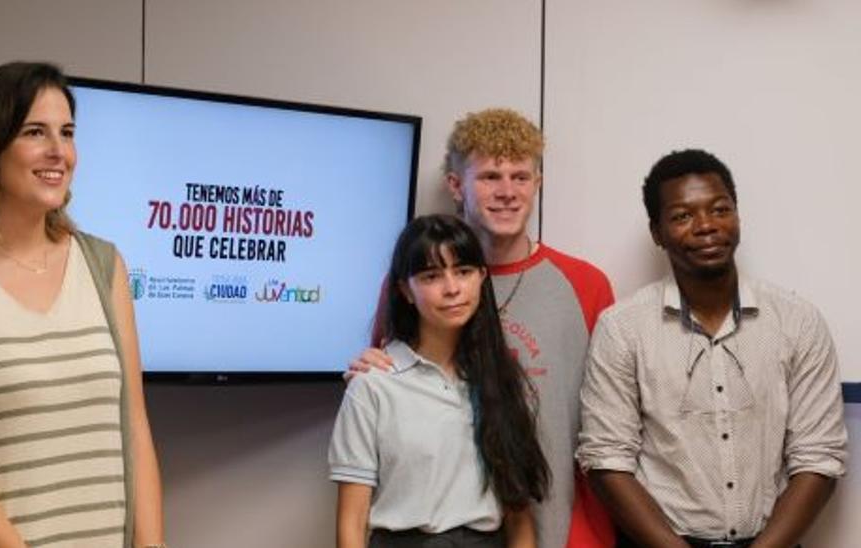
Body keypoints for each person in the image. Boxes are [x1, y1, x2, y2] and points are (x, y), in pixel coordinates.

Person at [0, 61, 166, 548]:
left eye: (67, 132)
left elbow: (134, 427)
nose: (59, 151)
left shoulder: (103, 265)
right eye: (35, 132)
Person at [349, 109, 615, 548]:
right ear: (456, 185)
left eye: (521, 176)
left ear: (538, 183)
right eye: (490, 176)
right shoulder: (413, 285)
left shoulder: (586, 285)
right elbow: (387, 402)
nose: (507, 192)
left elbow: (609, 426)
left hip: (566, 530)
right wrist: (368, 367)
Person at [577, 149, 847, 548]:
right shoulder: (622, 329)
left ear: (737, 216)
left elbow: (819, 457)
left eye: (720, 210)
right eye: (683, 216)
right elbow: (606, 460)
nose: (706, 226)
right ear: (657, 232)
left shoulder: (797, 321)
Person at [331, 214, 550, 548]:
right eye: (432, 275)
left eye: (463, 272)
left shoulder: (501, 381)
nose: (452, 289)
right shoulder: (372, 386)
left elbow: (519, 518)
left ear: (482, 277)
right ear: (405, 289)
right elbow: (352, 522)